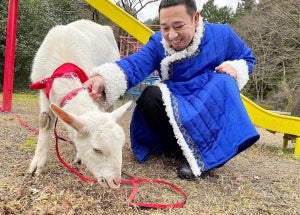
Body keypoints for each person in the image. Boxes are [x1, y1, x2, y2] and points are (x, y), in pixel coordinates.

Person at [83, 0, 260, 180]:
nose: (172, 35)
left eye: (178, 26)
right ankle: (176, 147)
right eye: (165, 28)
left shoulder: (223, 35)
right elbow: (135, 64)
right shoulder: (158, 43)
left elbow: (247, 58)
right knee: (149, 95)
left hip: (208, 98)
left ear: (196, 18)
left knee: (224, 82)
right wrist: (103, 78)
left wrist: (236, 68)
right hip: (178, 100)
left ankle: (202, 156)